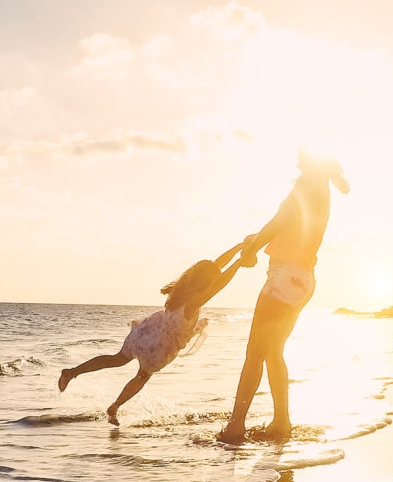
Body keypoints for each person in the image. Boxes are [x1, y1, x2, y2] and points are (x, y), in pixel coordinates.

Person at [218, 151, 349, 444]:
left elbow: (280, 221)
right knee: (273, 352)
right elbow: (292, 229)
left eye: (303, 156)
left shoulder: (306, 188)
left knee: (255, 354)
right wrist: (258, 241)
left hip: (284, 279)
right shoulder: (319, 191)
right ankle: (281, 423)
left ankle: (235, 427)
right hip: (301, 280)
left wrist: (253, 250)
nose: (297, 160)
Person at [58, 242, 248, 425]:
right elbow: (220, 282)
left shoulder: (183, 287)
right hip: (160, 346)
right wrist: (240, 262)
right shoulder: (194, 301)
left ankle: (72, 372)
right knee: (142, 376)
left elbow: (215, 266)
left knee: (116, 359)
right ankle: (114, 407)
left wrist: (239, 247)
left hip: (147, 333)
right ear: (206, 282)